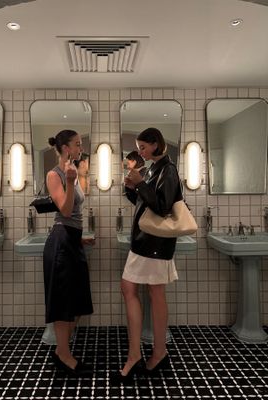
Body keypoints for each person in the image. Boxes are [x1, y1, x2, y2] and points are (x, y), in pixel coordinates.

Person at [118, 127, 182, 382]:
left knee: (147, 292)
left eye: (143, 147)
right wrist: (131, 189)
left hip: (154, 244)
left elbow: (163, 207)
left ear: (156, 144)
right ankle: (151, 352)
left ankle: (150, 353)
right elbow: (146, 205)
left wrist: (140, 183)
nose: (140, 152)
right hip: (146, 242)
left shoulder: (168, 169)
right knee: (142, 291)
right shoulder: (154, 169)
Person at [43, 129, 94, 376]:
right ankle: (63, 354)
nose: (80, 147)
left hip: (72, 239)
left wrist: (80, 237)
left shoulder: (72, 171)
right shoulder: (55, 174)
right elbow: (64, 210)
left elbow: (74, 214)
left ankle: (61, 351)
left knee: (73, 298)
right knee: (64, 301)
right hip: (61, 240)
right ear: (65, 148)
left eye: (80, 143)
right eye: (77, 144)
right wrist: (72, 182)